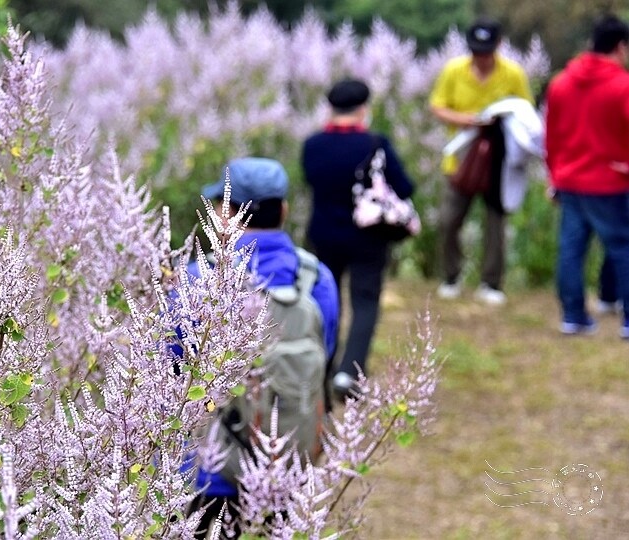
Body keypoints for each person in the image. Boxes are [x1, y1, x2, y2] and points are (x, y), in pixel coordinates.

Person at [190, 157, 340, 536]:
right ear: (284, 211)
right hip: (288, 467)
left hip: (210, 472)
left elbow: (170, 371)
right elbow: (326, 355)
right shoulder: (316, 279)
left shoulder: (197, 280)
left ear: (226, 213)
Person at [301, 78, 415, 395]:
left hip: (324, 234)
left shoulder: (313, 145)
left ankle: (321, 368)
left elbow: (311, 180)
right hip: (368, 237)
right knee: (365, 302)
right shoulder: (375, 144)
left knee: (325, 301)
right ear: (363, 109)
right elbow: (405, 188)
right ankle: (349, 374)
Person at [429, 17, 533, 305]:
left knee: (495, 223)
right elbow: (437, 106)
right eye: (476, 51)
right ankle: (451, 275)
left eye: (486, 51)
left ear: (498, 47)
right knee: (449, 220)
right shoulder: (453, 71)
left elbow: (526, 112)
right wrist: (470, 120)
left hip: (499, 159)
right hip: (462, 157)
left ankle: (492, 282)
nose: (482, 58)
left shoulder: (513, 73)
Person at [544, 14, 629, 338]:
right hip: (609, 180)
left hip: (569, 180)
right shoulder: (622, 85)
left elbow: (550, 137)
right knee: (622, 247)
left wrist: (555, 175)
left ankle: (574, 315)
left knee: (571, 250)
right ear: (620, 47)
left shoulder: (560, 83)